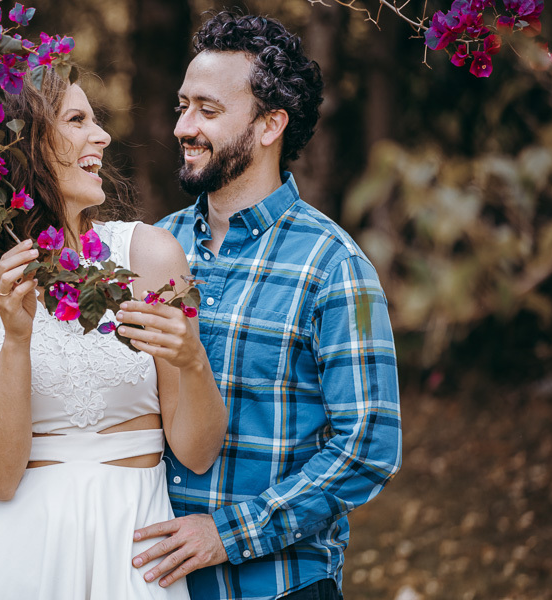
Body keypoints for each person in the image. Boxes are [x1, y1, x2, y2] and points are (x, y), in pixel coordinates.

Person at [0, 68, 228, 599]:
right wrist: (17, 341)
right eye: (77, 120)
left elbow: (197, 453)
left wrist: (193, 361)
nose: (101, 136)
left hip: (135, 551)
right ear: (19, 146)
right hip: (14, 558)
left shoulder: (149, 256)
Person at [129, 12, 403, 600]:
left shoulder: (335, 266)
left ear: (270, 125)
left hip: (278, 586)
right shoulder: (151, 248)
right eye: (182, 106)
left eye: (207, 110)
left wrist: (230, 534)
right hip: (150, 584)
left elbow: (368, 447)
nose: (182, 127)